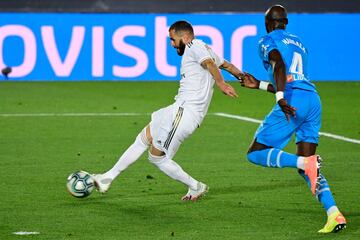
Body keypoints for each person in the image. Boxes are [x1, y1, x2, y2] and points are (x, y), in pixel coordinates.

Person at [92, 20, 242, 201]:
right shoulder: (203, 48)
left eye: (173, 39)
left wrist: (221, 83)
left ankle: (196, 186)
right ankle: (107, 178)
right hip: (176, 109)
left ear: (185, 37)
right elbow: (226, 65)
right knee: (143, 138)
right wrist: (241, 76)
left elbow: (210, 64)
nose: (171, 44)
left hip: (185, 113)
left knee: (157, 158)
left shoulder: (194, 45)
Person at [239, 5, 346, 233]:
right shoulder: (299, 43)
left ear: (268, 23)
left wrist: (279, 98)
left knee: (256, 152)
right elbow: (291, 78)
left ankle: (304, 162)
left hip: (293, 102)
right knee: (308, 167)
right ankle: (333, 213)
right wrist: (258, 84)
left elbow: (279, 65)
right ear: (285, 22)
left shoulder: (266, 40)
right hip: (312, 100)